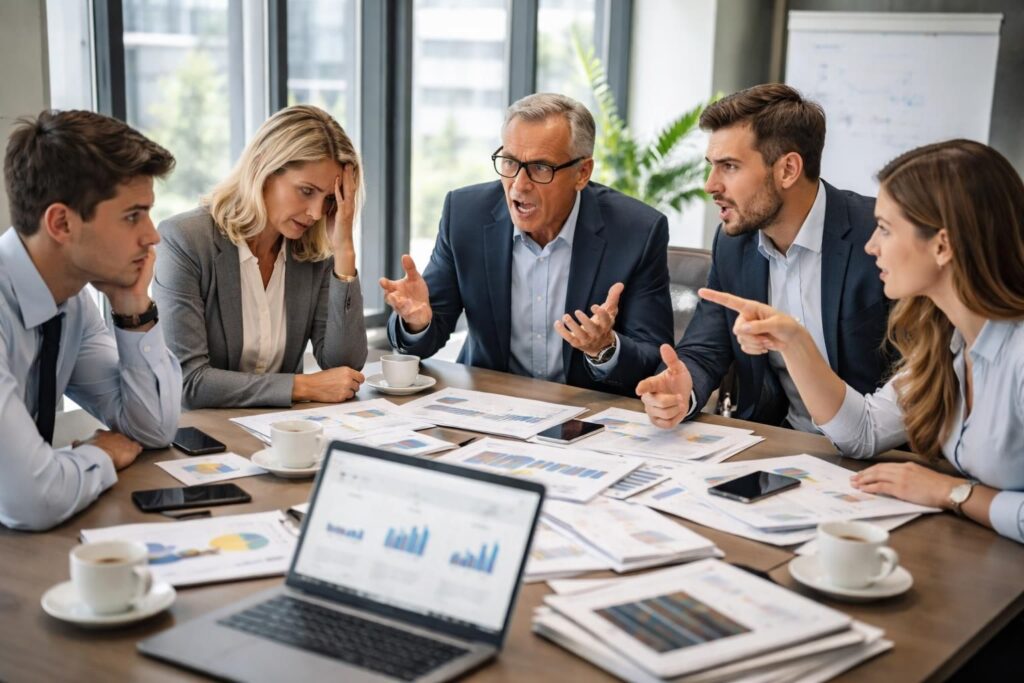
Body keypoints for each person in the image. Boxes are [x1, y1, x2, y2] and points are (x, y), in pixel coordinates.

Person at [699, 139, 1024, 544]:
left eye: (885, 230)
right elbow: (862, 433)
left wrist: (953, 493)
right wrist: (794, 342)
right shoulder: (948, 341)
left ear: (942, 245)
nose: (871, 246)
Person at [637, 84, 892, 431]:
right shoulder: (733, 243)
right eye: (711, 166)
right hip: (778, 442)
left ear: (787, 169)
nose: (710, 185)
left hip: (878, 453)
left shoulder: (879, 237)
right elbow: (704, 350)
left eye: (729, 166)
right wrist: (684, 389)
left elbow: (919, 377)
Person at [380, 93, 672, 396]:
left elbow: (654, 358)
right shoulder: (465, 215)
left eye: (541, 168)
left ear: (582, 173)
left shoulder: (637, 231)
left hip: (585, 414)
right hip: (488, 407)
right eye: (509, 162)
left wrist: (605, 348)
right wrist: (417, 323)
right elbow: (426, 337)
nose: (519, 185)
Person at [0, 110, 182, 531]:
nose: (152, 235)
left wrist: (133, 304)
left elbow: (152, 428)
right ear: (62, 222)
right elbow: (32, 499)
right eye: (133, 215)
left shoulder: (71, 303)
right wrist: (101, 454)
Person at [153, 105, 368, 409]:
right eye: (306, 191)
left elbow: (343, 367)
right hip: (205, 437)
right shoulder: (186, 241)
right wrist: (301, 386)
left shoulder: (313, 255)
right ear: (263, 169)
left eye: (329, 199)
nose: (316, 213)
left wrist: (344, 250)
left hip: (285, 436)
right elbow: (188, 381)